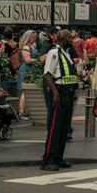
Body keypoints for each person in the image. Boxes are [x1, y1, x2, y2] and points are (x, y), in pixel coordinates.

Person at [40, 30, 78, 171]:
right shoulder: (53, 53)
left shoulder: (66, 53)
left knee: (63, 128)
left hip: (68, 93)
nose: (72, 40)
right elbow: (47, 75)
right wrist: (55, 93)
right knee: (55, 128)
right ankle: (47, 159)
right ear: (62, 39)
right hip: (59, 92)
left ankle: (58, 157)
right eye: (69, 38)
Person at [16, 29, 38, 121]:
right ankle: (22, 112)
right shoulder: (26, 47)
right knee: (25, 92)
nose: (34, 39)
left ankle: (25, 111)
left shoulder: (32, 46)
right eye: (33, 37)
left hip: (30, 70)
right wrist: (39, 60)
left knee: (27, 92)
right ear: (28, 38)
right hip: (26, 70)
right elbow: (27, 60)